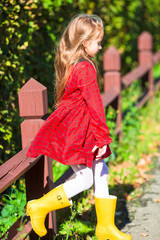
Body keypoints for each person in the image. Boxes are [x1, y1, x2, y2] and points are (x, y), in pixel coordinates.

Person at [26, 14, 132, 240]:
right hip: (76, 133)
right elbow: (95, 106)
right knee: (85, 178)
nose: (101, 46)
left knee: (101, 170)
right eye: (98, 42)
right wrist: (103, 139)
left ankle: (105, 227)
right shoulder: (85, 68)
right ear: (85, 43)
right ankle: (40, 207)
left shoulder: (75, 64)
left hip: (79, 129)